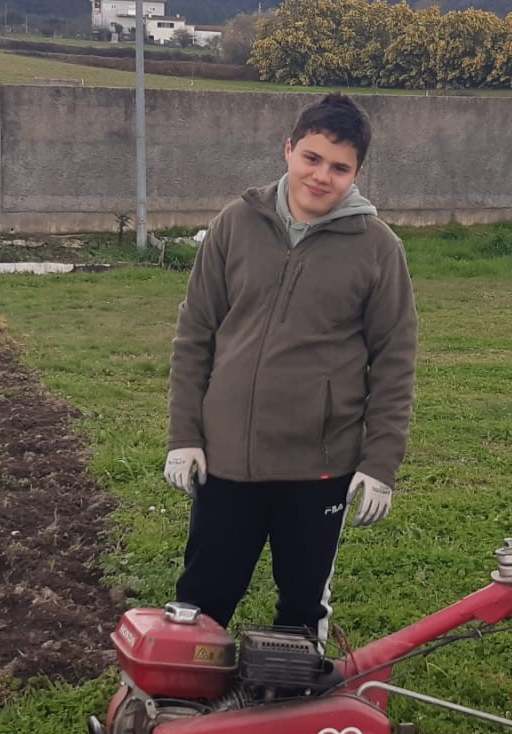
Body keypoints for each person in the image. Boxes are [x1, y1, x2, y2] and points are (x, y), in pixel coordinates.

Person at [164, 92, 418, 644]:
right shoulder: (235, 224)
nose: (322, 176)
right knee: (202, 599)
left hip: (318, 469)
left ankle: (291, 713)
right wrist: (184, 435)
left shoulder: (378, 249)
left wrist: (381, 464)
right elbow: (194, 338)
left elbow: (395, 364)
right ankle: (178, 710)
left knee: (302, 611)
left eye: (339, 167)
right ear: (288, 150)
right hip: (227, 461)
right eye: (312, 158)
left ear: (357, 173)